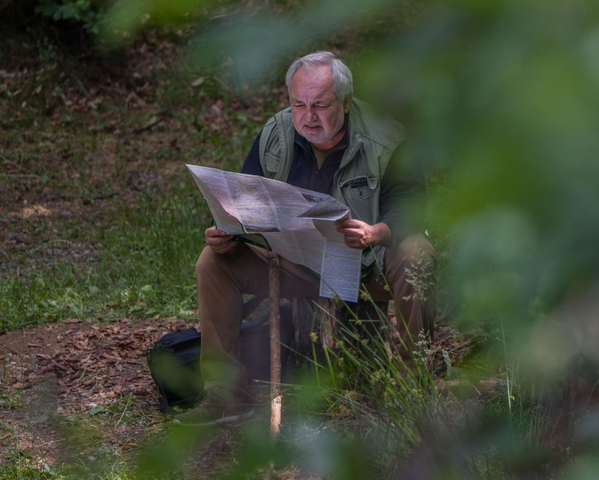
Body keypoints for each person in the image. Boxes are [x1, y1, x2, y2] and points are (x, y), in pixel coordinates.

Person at [177, 50, 436, 427]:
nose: (308, 117)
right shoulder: (276, 134)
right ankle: (225, 395)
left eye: (320, 105)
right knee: (213, 261)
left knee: (418, 253)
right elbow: (245, 200)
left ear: (346, 102)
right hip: (296, 261)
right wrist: (227, 232)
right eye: (298, 104)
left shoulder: (386, 136)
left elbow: (412, 206)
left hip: (365, 263)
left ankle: (415, 388)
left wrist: (377, 232)